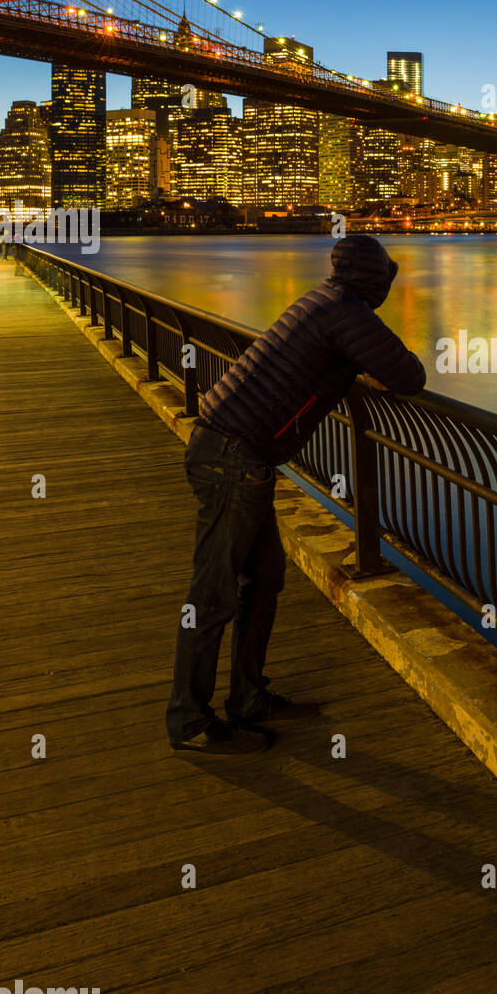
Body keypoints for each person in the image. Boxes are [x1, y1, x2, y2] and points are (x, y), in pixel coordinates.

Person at [166, 234, 426, 754]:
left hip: (237, 452)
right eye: (385, 280)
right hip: (233, 458)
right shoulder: (345, 311)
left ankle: (249, 698)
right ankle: (190, 721)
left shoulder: (319, 300)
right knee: (213, 595)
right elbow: (409, 376)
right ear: (375, 280)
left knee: (263, 582)